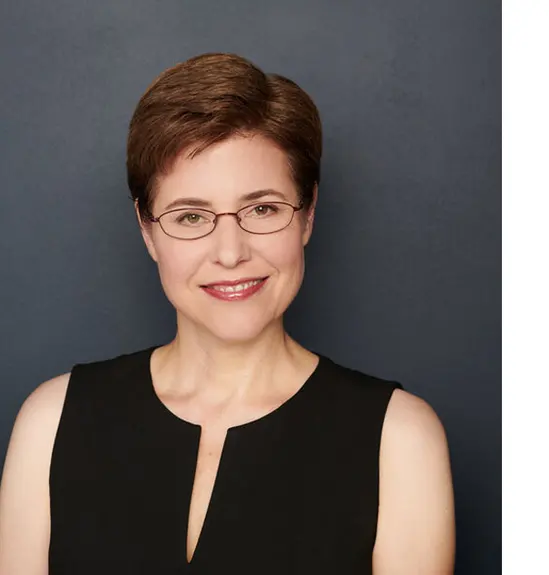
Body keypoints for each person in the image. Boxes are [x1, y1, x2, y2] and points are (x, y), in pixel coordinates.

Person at [0, 54, 455, 574]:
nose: (230, 252)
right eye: (190, 216)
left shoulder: (399, 439)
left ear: (306, 215)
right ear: (147, 231)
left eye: (262, 209)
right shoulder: (51, 421)